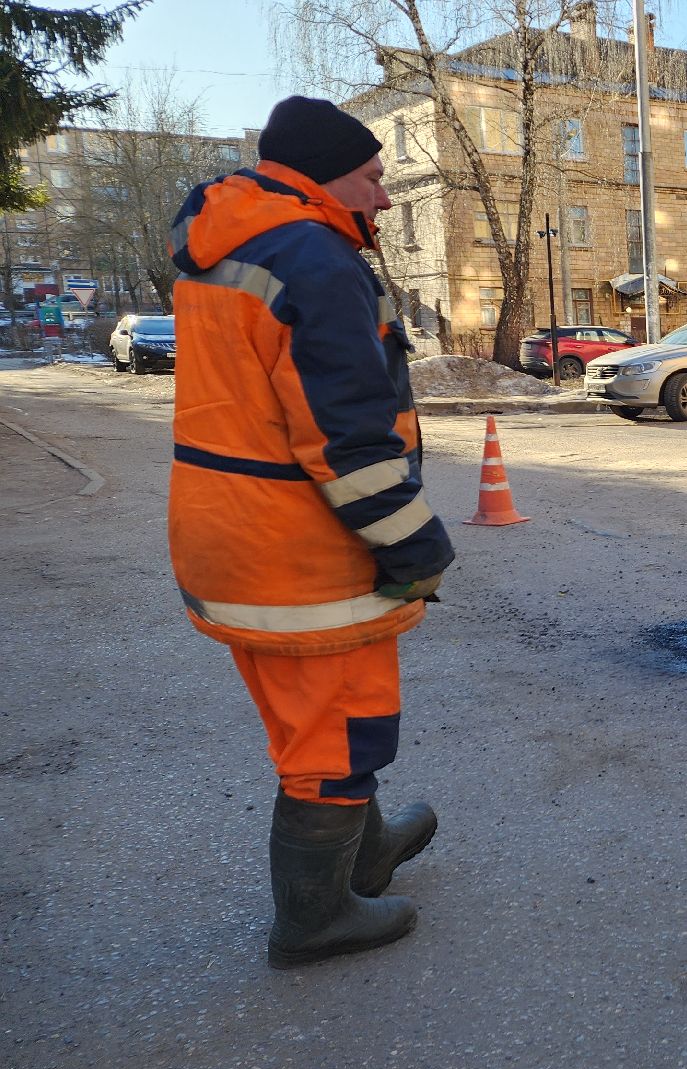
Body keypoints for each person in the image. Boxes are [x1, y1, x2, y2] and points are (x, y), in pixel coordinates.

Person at [169, 96, 455, 967]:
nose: (384, 195)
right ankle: (315, 918)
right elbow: (346, 439)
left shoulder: (234, 245)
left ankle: (363, 854)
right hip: (301, 551)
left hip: (234, 536)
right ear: (324, 177)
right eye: (372, 176)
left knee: (315, 724)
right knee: (335, 737)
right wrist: (416, 544)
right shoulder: (315, 260)